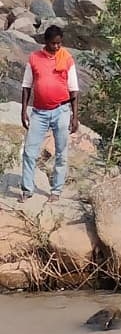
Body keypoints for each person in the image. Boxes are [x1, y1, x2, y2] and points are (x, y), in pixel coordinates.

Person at [19, 25, 79, 203]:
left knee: (61, 153)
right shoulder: (34, 58)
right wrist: (24, 111)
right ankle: (27, 189)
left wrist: (74, 117)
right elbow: (26, 86)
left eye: (59, 43)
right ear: (46, 42)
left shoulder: (66, 58)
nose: (56, 47)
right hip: (39, 112)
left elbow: (74, 90)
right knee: (29, 152)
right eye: (53, 43)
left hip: (61, 111)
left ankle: (56, 190)